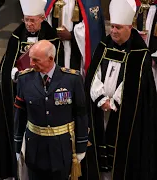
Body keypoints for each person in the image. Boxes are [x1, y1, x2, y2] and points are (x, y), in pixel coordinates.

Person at [0, 0, 64, 179]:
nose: (29, 24)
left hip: (41, 98)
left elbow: (55, 66)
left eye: (33, 20)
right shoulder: (17, 35)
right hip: (18, 95)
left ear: (42, 18)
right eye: (26, 20)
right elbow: (8, 65)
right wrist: (14, 74)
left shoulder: (51, 37)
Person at [83, 0, 157, 179]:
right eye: (112, 27)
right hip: (100, 109)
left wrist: (115, 101)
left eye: (118, 28)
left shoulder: (140, 53)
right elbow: (94, 75)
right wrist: (101, 98)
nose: (114, 31)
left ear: (129, 27)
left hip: (124, 111)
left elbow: (133, 82)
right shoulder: (103, 46)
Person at [14, 40, 88, 180]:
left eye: (36, 60)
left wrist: (81, 146)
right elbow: (20, 115)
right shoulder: (24, 79)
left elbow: (81, 114)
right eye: (31, 58)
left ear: (51, 59)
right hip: (35, 148)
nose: (31, 63)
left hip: (61, 149)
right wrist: (18, 146)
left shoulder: (72, 79)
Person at [45, 0, 106, 76]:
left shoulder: (90, 2)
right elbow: (46, 19)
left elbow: (92, 26)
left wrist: (72, 35)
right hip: (56, 46)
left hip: (77, 50)